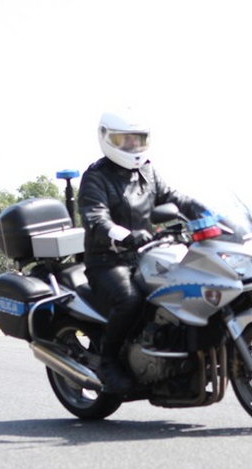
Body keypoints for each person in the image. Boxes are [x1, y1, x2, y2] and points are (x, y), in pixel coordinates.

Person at [78, 111, 209, 393]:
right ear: (106, 138)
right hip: (108, 260)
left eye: (137, 140)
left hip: (149, 255)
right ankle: (109, 362)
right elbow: (95, 218)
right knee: (130, 300)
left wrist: (204, 210)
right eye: (123, 140)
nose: (131, 146)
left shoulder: (148, 171)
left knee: (189, 283)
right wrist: (124, 234)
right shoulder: (96, 177)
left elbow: (173, 197)